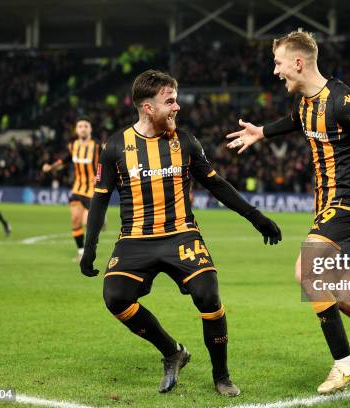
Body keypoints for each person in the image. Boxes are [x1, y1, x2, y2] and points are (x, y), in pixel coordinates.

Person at [226, 30, 350, 395]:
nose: (275, 71)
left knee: (306, 269)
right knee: (339, 294)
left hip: (348, 204)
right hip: (326, 209)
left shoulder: (343, 99)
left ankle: (345, 364)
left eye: (279, 63)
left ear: (298, 63)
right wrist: (262, 133)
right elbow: (294, 122)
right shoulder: (306, 103)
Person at [79, 70, 281, 397]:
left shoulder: (185, 141)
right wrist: (90, 248)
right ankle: (172, 351)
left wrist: (256, 217)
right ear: (148, 107)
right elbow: (100, 199)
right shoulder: (115, 146)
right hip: (135, 239)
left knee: (208, 294)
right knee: (115, 298)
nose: (177, 107)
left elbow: (215, 184)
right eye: (169, 101)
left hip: (181, 235)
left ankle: (222, 375)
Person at [42, 117, 99, 260]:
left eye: (86, 126)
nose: (83, 128)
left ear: (90, 129)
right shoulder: (73, 146)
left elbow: (108, 163)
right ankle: (81, 252)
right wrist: (51, 167)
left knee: (88, 223)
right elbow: (64, 160)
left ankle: (100, 220)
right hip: (77, 189)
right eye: (80, 126)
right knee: (75, 219)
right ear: (77, 130)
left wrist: (101, 177)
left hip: (93, 191)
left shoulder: (98, 146)